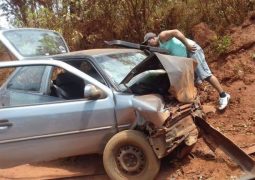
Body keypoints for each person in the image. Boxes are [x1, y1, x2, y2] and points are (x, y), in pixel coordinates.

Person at [143, 30, 230, 110]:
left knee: (205, 75)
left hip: (192, 50)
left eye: (148, 42)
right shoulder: (160, 46)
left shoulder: (162, 36)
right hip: (185, 57)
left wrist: (187, 45)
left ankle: (223, 95)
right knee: (188, 79)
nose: (148, 44)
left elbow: (176, 32)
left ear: (153, 38)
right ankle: (193, 100)